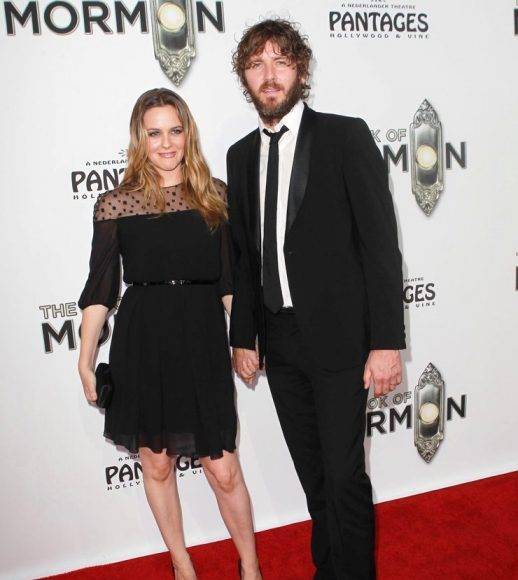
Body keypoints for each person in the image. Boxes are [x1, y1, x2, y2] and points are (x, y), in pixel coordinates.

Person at [227, 19, 406, 580]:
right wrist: (243, 336)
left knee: (344, 475)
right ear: (245, 78)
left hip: (340, 340)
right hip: (280, 343)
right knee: (314, 477)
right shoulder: (238, 156)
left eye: (280, 61)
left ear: (300, 71)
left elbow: (380, 246)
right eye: (256, 64)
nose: (269, 75)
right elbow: (243, 256)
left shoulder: (345, 137)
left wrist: (386, 342)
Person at [77, 88, 261, 580]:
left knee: (223, 468)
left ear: (188, 134)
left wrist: (244, 339)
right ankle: (182, 565)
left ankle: (250, 566)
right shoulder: (116, 205)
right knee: (156, 464)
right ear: (139, 138)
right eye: (154, 132)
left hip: (202, 339)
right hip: (142, 342)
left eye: (175, 131)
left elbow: (230, 283)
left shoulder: (215, 196)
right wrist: (84, 359)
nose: (165, 143)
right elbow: (100, 288)